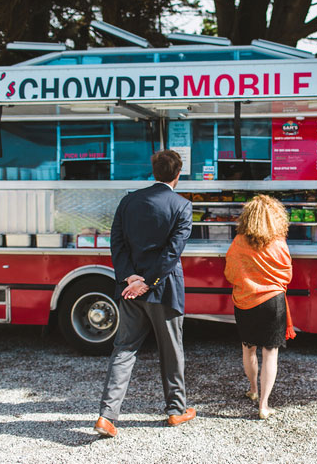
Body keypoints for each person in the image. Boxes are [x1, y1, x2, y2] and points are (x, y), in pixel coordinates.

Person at [94, 149, 195, 437]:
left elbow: (117, 243)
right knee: (171, 351)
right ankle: (176, 411)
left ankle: (107, 416)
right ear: (178, 173)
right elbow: (173, 252)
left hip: (130, 290)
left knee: (124, 350)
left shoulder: (128, 201)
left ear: (154, 172)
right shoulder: (182, 206)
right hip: (164, 290)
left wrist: (131, 278)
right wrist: (148, 282)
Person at [224, 195, 296, 420]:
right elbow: (287, 274)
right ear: (276, 217)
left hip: (245, 301)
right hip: (273, 302)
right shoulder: (278, 242)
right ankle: (264, 406)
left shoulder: (239, 242)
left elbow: (230, 273)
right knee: (270, 353)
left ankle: (253, 390)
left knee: (248, 349)